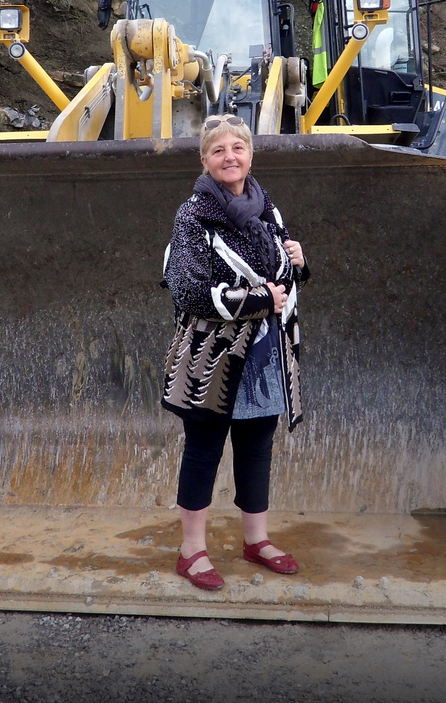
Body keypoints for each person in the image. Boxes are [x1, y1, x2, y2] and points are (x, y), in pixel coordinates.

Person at [160, 113, 310, 590]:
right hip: (212, 358)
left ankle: (256, 540)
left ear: (250, 155)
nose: (230, 157)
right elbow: (188, 291)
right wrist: (261, 299)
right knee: (203, 452)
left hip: (265, 355)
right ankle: (192, 552)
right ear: (204, 160)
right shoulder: (193, 215)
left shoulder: (268, 210)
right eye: (219, 150)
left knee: (257, 448)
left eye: (238, 148)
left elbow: (280, 276)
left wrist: (298, 263)